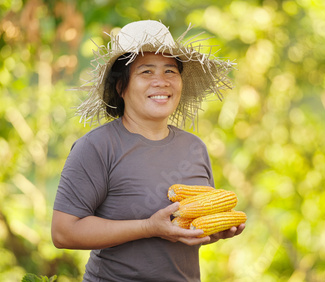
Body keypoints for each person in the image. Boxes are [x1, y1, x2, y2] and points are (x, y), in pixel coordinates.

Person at [51, 20, 245, 281]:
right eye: (146, 72)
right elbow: (63, 233)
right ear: (121, 87)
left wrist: (211, 231)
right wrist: (148, 227)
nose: (161, 82)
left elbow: (179, 236)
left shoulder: (194, 148)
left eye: (170, 71)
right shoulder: (96, 147)